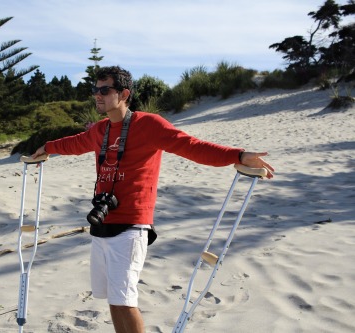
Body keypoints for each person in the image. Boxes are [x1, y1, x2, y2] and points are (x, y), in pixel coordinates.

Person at [31, 65, 274, 333]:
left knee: (125, 300)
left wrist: (237, 155)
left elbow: (192, 147)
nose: (97, 96)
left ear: (124, 94)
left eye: (105, 90)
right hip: (101, 222)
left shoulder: (149, 125)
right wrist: (48, 148)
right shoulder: (100, 130)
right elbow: (74, 143)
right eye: (95, 90)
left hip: (131, 227)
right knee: (114, 299)